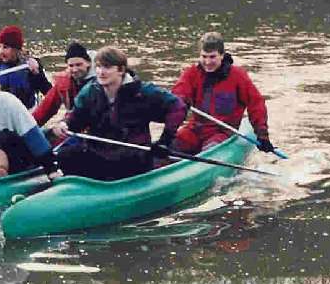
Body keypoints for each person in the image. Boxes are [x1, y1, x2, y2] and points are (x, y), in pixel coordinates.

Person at [52, 46, 187, 180]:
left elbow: (178, 107)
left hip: (133, 158)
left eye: (107, 67)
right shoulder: (90, 91)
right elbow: (75, 120)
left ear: (121, 70)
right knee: (65, 155)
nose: (101, 72)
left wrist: (164, 141)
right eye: (98, 67)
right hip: (99, 154)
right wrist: (64, 124)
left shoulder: (143, 92)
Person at [171, 32, 275, 154]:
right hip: (196, 130)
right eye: (204, 57)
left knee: (210, 150)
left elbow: (256, 103)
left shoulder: (238, 76)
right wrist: (180, 100)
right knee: (169, 144)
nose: (207, 62)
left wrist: (262, 134)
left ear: (222, 55)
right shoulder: (191, 73)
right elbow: (179, 91)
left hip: (223, 133)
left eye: (212, 57)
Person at [0, 25, 51, 109]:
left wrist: (36, 73)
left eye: (5, 47)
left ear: (16, 49)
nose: (1, 51)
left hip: (25, 111)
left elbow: (48, 92)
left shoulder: (30, 65)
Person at [32, 40, 95, 127]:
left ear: (88, 63)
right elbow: (45, 109)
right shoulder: (64, 83)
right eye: (71, 66)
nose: (75, 70)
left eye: (78, 65)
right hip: (73, 123)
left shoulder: (102, 81)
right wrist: (28, 128)